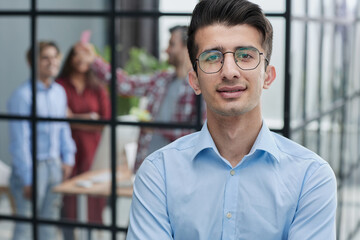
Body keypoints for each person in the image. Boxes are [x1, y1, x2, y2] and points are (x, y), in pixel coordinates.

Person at [126, 0, 337, 239]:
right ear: (194, 80)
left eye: (245, 55)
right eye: (212, 57)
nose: (229, 71)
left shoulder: (311, 177)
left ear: (267, 76)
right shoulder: (158, 174)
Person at [78, 25, 201, 172]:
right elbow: (125, 84)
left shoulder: (199, 86)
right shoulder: (163, 80)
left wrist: (156, 128)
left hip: (179, 169)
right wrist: (94, 60)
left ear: (186, 47)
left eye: (171, 44)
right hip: (149, 167)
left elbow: (199, 134)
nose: (166, 50)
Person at [7, 41, 76, 240]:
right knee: (25, 229)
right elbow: (20, 140)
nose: (51, 62)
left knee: (48, 227)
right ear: (32, 62)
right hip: (32, 169)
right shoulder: (23, 96)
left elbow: (63, 127)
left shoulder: (59, 92)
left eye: (54, 57)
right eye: (45, 57)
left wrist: (68, 158)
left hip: (54, 166)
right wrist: (27, 178)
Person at [56, 44, 111, 236]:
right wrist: (88, 118)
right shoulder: (60, 85)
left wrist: (73, 119)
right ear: (70, 59)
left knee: (93, 202)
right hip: (67, 150)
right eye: (76, 55)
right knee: (69, 203)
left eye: (85, 56)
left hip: (92, 151)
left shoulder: (98, 87)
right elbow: (59, 120)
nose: (80, 60)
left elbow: (105, 121)